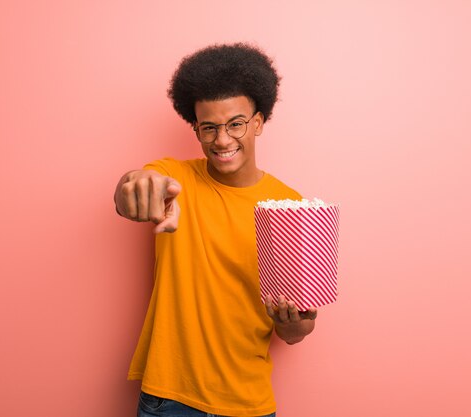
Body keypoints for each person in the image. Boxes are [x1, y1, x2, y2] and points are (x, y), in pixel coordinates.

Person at [114, 43, 318, 417]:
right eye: (209, 127)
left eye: (235, 124)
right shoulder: (174, 177)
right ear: (196, 128)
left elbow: (292, 334)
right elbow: (137, 184)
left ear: (258, 121)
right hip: (169, 398)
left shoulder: (289, 206)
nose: (222, 140)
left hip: (248, 402)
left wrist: (294, 323)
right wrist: (137, 191)